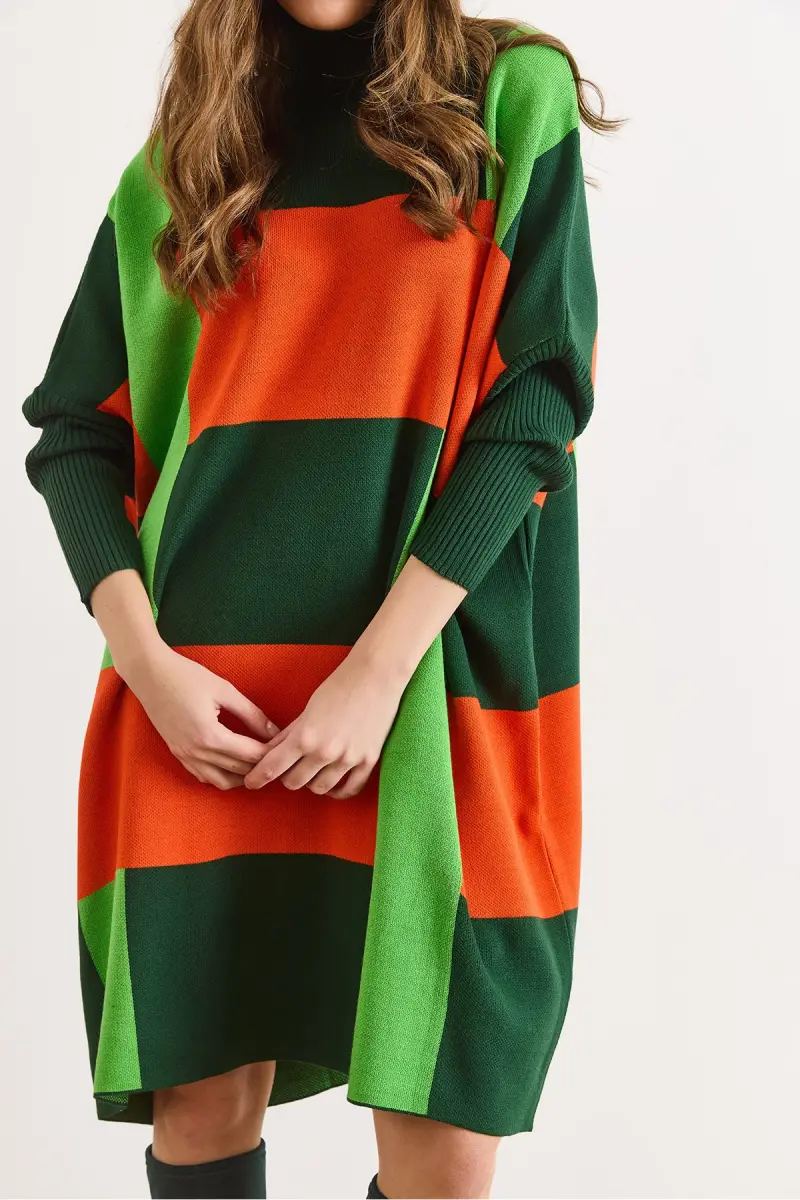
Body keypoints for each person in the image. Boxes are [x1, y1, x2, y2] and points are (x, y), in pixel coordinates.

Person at [22, 0, 614, 1195]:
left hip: (434, 684)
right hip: (204, 705)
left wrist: (375, 672)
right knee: (200, 1109)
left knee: (443, 1133)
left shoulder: (507, 95)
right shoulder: (197, 147)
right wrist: (148, 666)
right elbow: (77, 429)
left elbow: (538, 392)